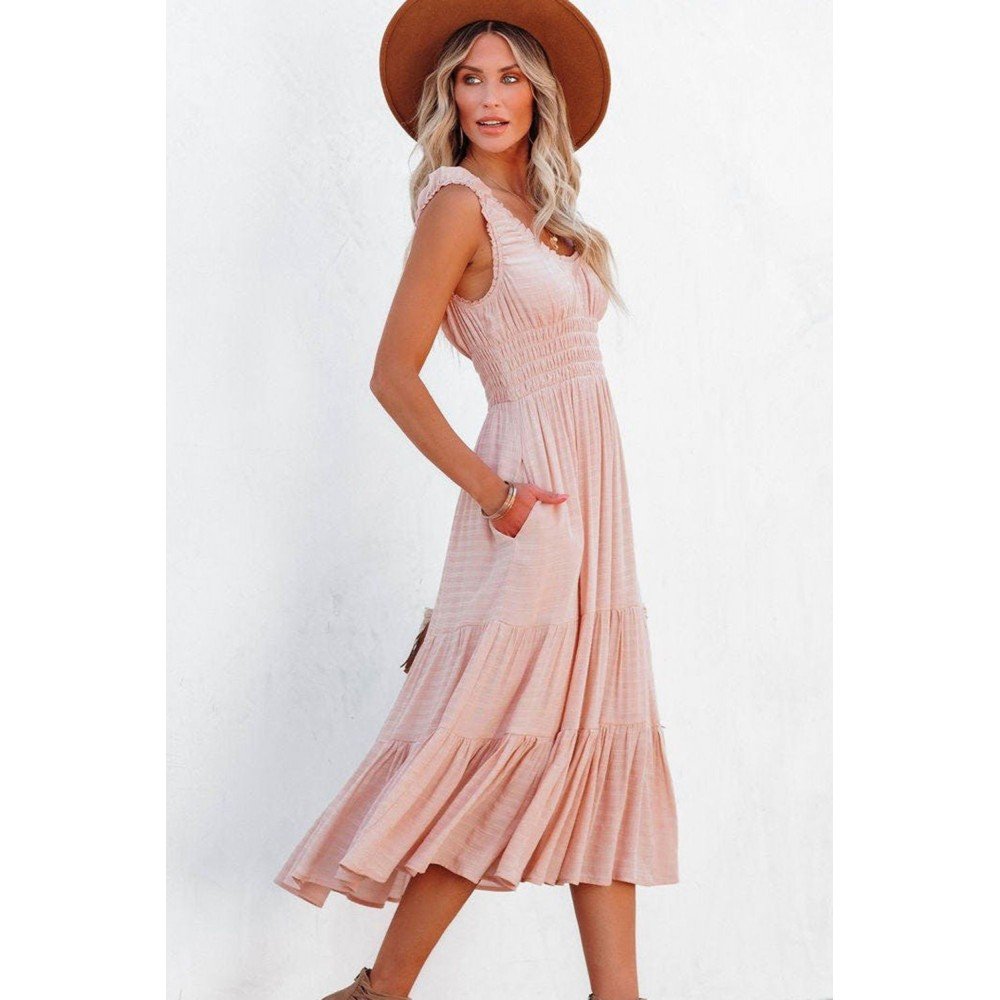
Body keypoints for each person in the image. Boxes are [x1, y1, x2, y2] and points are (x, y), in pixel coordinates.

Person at [274, 3, 679, 998]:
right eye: (469, 78)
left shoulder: (547, 212)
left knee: (594, 741)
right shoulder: (457, 204)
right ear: (446, 97)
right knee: (504, 751)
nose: (490, 97)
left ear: (539, 93)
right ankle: (382, 991)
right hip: (532, 508)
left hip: (595, 507)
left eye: (508, 77)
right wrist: (498, 497)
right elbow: (392, 375)